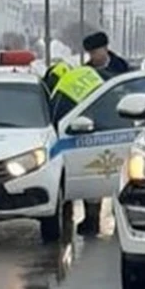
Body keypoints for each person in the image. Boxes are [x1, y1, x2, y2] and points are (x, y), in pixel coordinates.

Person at [48, 64, 106, 237]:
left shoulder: (59, 91)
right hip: (100, 129)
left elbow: (55, 117)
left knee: (72, 180)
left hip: (78, 135)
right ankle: (92, 220)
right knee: (94, 178)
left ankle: (75, 221)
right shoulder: (86, 75)